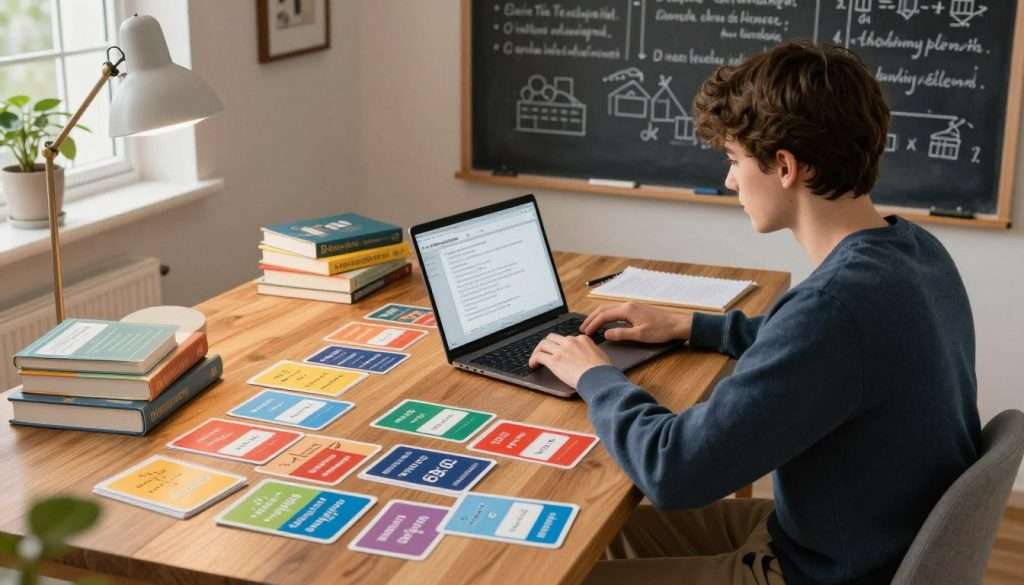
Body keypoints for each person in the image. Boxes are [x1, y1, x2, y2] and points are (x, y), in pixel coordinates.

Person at [528, 41, 981, 585]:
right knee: (587, 536)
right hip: (851, 540)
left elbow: (674, 472)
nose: (730, 181)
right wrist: (692, 325)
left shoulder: (831, 311)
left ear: (784, 167)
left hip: (815, 571)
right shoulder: (913, 251)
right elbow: (822, 348)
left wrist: (593, 375)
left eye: (733, 160)